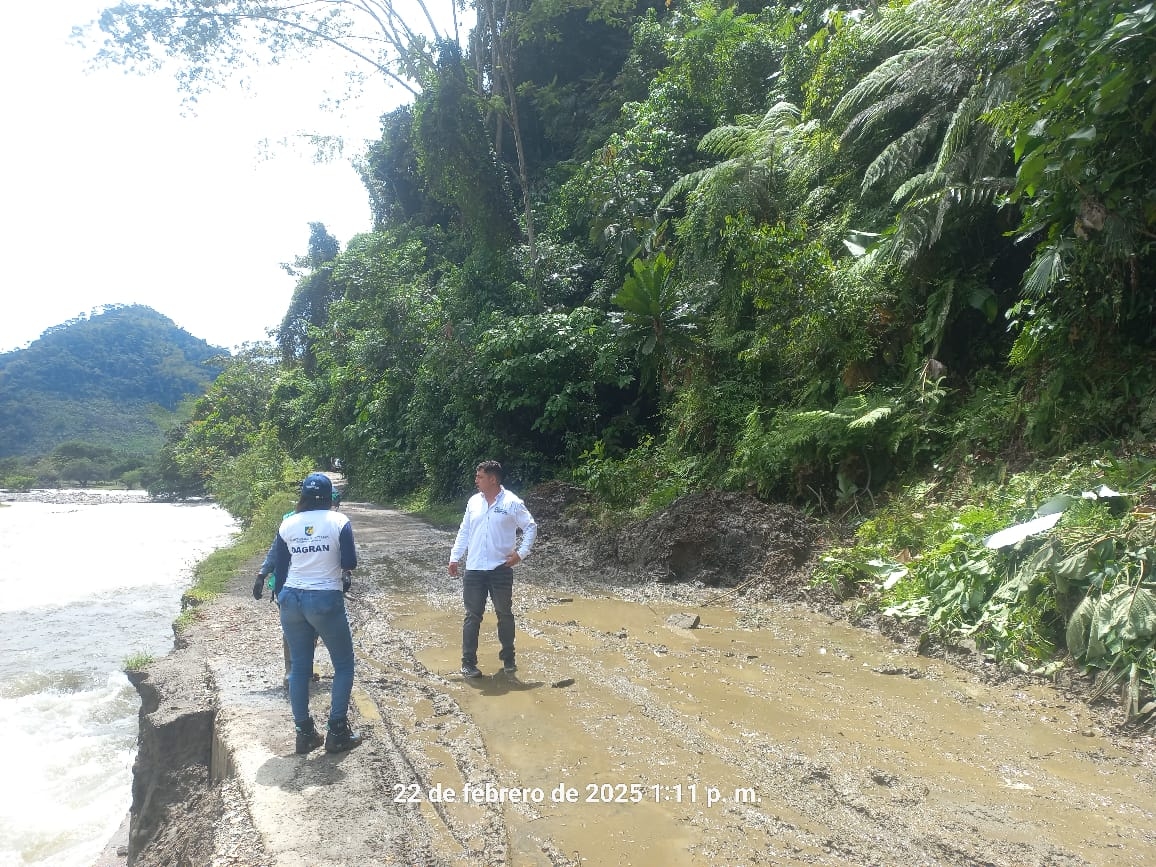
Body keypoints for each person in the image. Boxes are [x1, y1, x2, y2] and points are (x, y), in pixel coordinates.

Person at [267, 473, 361, 754]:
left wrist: (281, 597)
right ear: (330, 496)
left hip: (292, 600)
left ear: (304, 495)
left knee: (299, 668)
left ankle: (304, 733)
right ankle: (337, 731)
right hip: (324, 599)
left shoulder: (289, 523)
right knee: (343, 665)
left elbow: (280, 566)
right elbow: (350, 562)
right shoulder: (338, 521)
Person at [448, 460, 537, 678]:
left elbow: (530, 526)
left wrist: (521, 553)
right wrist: (455, 557)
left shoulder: (512, 503)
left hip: (500, 568)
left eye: (479, 477)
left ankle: (508, 658)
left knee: (504, 614)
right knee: (472, 616)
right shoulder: (473, 502)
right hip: (475, 569)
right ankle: (468, 663)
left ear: (493, 479)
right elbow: (464, 531)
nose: (475, 480)